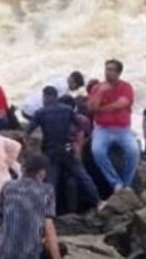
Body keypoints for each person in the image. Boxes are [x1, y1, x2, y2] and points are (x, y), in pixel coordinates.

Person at [25, 85, 99, 213]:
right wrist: (78, 142)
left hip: (51, 151)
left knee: (51, 182)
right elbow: (83, 124)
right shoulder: (67, 110)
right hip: (67, 149)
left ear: (46, 97)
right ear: (56, 97)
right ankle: (98, 201)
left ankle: (48, 211)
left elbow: (28, 132)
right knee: (83, 176)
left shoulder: (41, 112)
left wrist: (29, 148)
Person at [0, 153, 63, 259]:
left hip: (4, 252)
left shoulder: (7, 186)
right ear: (41, 171)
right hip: (30, 253)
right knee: (61, 249)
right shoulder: (46, 190)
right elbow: (48, 226)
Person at [88, 59, 140, 194]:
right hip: (102, 129)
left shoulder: (126, 87)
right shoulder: (97, 88)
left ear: (118, 72)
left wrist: (102, 108)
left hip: (123, 129)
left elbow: (121, 103)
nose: (108, 72)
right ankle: (116, 183)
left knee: (133, 151)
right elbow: (92, 108)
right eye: (107, 69)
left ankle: (126, 184)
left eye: (111, 70)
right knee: (97, 150)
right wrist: (100, 93)